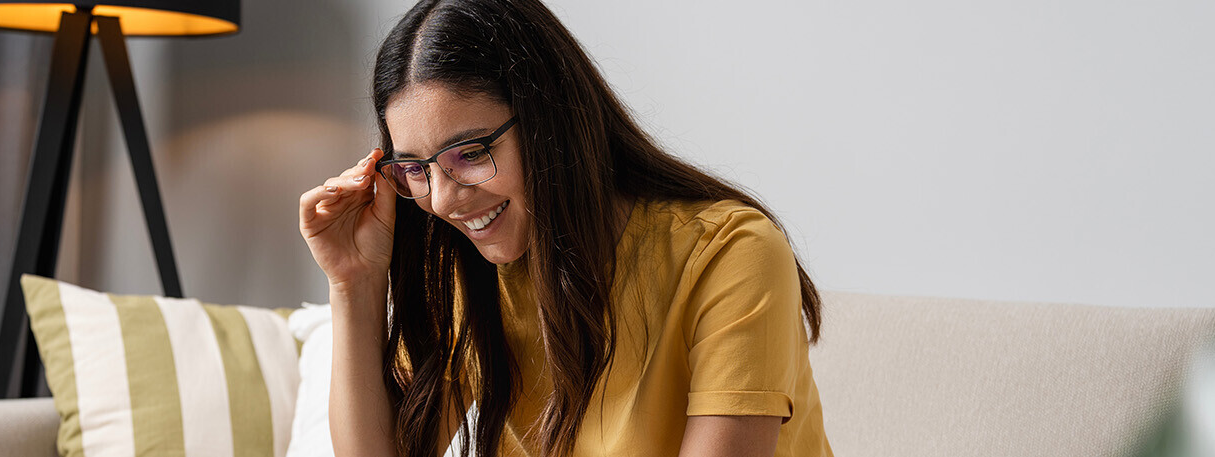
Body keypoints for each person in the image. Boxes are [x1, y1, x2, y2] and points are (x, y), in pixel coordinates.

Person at [297, 0, 831, 455]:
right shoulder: (473, 272)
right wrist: (354, 282)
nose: (442, 199)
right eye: (415, 169)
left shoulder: (731, 254)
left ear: (548, 121)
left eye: (472, 152)